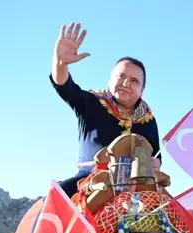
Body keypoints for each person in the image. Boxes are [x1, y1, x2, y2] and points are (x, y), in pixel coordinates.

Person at [50, 22, 162, 198]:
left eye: (134, 81)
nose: (126, 84)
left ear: (142, 90)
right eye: (121, 76)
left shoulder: (148, 120)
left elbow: (156, 158)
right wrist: (60, 63)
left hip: (137, 193)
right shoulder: (92, 102)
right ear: (110, 80)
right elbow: (65, 87)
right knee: (54, 201)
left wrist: (155, 164)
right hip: (89, 184)